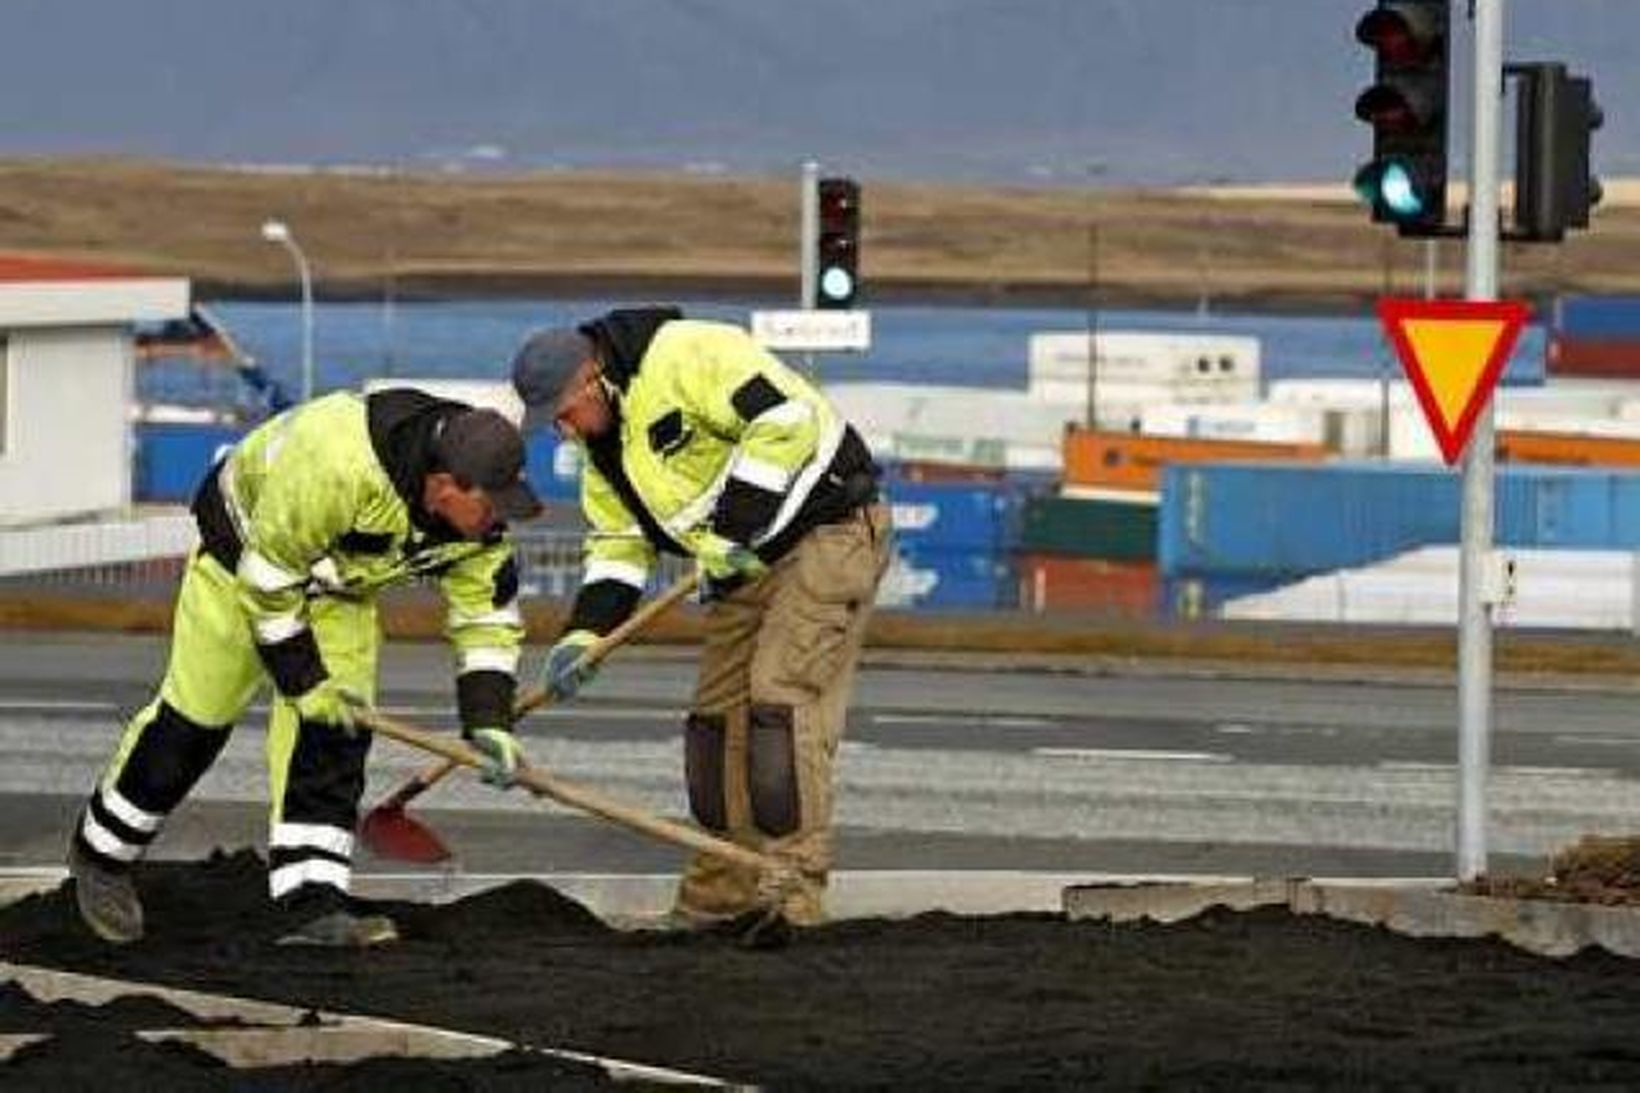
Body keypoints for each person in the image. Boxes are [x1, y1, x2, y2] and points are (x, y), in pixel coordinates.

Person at [68, 388, 542, 947]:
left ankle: (311, 903)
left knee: (335, 736)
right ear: (443, 484)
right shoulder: (338, 462)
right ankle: (102, 854)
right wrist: (303, 679)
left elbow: (486, 617)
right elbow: (267, 582)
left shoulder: (478, 529)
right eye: (490, 504)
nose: (496, 519)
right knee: (192, 726)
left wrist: (487, 719)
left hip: (340, 594)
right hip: (241, 564)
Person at [510, 307, 892, 930]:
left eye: (564, 415)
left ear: (592, 378)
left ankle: (790, 892)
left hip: (828, 529)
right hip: (740, 563)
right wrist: (585, 634)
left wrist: (733, 528)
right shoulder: (603, 452)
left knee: (778, 702)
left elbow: (784, 420)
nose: (566, 433)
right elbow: (618, 547)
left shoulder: (688, 354)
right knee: (715, 723)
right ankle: (721, 895)